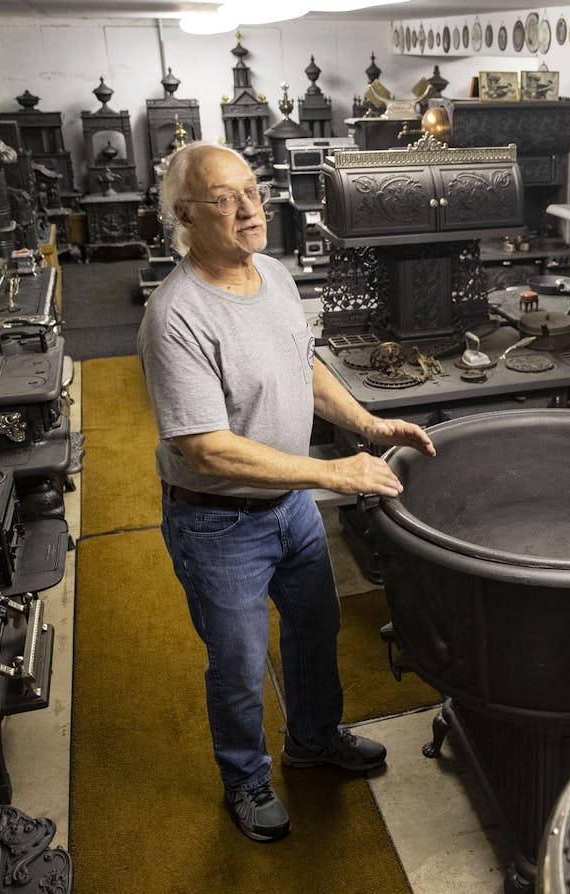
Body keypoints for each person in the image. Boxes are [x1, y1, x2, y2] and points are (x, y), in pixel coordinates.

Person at [137, 142, 436, 843]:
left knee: (313, 632)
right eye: (224, 198)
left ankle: (312, 739)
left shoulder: (271, 274)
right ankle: (244, 780)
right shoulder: (176, 315)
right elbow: (204, 448)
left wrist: (366, 425)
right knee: (240, 666)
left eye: (252, 190)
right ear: (185, 214)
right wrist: (332, 474)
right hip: (217, 524)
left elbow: (302, 367)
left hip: (290, 508)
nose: (249, 209)